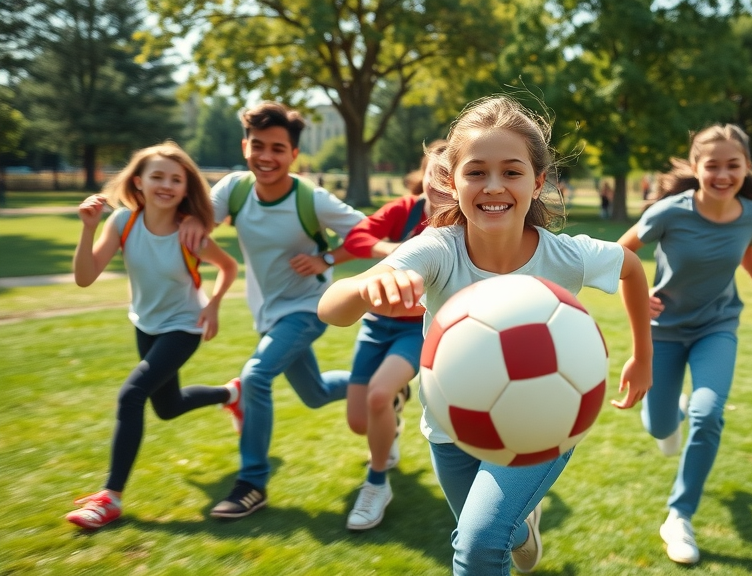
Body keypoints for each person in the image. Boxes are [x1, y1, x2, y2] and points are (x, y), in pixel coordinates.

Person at [318, 95, 653, 575]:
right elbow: (332, 308)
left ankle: (512, 524)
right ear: (451, 183)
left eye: (512, 172)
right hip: (452, 427)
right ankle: (523, 527)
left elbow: (632, 268)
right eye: (476, 172)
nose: (493, 186)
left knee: (477, 544)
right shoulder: (437, 250)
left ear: (537, 182)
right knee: (500, 531)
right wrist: (367, 285)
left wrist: (643, 356)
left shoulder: (568, 256)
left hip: (545, 424)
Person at [179, 101, 366, 519]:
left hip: (309, 307)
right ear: (245, 146)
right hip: (268, 312)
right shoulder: (235, 190)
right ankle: (375, 387)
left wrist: (327, 260)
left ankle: (252, 483)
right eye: (258, 145)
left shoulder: (311, 199)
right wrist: (193, 218)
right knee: (314, 393)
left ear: (294, 154)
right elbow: (200, 214)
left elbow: (367, 232)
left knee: (255, 376)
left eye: (278, 148)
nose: (267, 157)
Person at [617, 124, 752, 565]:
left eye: (733, 165)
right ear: (695, 168)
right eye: (713, 165)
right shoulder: (669, 212)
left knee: (709, 414)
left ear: (747, 167)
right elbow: (621, 252)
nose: (723, 174)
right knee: (658, 427)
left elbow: (746, 248)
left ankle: (679, 515)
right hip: (664, 332)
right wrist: (635, 290)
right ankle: (676, 411)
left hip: (717, 326)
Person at [66, 142, 240, 529]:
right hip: (145, 323)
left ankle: (109, 498)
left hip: (184, 325)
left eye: (176, 179)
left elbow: (228, 267)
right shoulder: (122, 223)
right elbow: (84, 277)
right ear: (138, 182)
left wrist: (212, 305)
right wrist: (88, 228)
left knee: (131, 394)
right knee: (168, 407)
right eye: (157, 176)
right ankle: (232, 393)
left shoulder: (188, 232)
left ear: (185, 187)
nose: (166, 184)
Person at [337, 140, 448, 531]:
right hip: (374, 324)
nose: (441, 183)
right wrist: (397, 249)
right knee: (358, 421)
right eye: (435, 173)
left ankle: (377, 483)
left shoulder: (461, 224)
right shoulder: (404, 210)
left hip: (416, 329)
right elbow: (355, 240)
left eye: (451, 174)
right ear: (424, 174)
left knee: (378, 395)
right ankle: (392, 417)